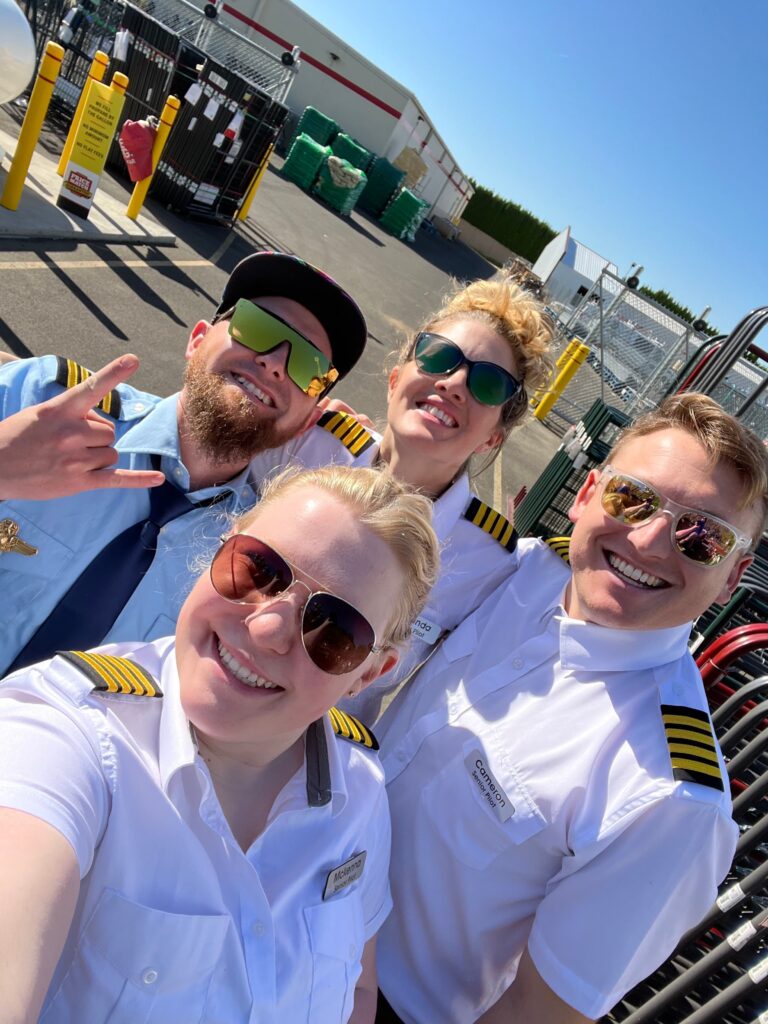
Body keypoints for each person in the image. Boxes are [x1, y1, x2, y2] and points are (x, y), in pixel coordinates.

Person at [373, 393, 768, 1024]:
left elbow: (539, 1012)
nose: (648, 540)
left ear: (733, 574)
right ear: (587, 493)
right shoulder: (523, 570)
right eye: (632, 498)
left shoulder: (669, 798)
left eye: (702, 536)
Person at [0, 464, 440, 1024]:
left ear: (368, 677)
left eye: (334, 630)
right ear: (220, 549)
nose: (266, 629)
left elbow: (356, 992)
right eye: (257, 569)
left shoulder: (361, 798)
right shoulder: (67, 730)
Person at [0, 250, 368, 675]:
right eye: (257, 327)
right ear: (197, 340)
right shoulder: (42, 400)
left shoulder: (255, 571)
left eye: (310, 367)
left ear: (307, 421)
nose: (274, 363)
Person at [249, 275, 553, 720]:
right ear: (394, 380)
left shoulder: (489, 563)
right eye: (439, 356)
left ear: (493, 438)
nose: (454, 383)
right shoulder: (308, 441)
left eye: (488, 384)